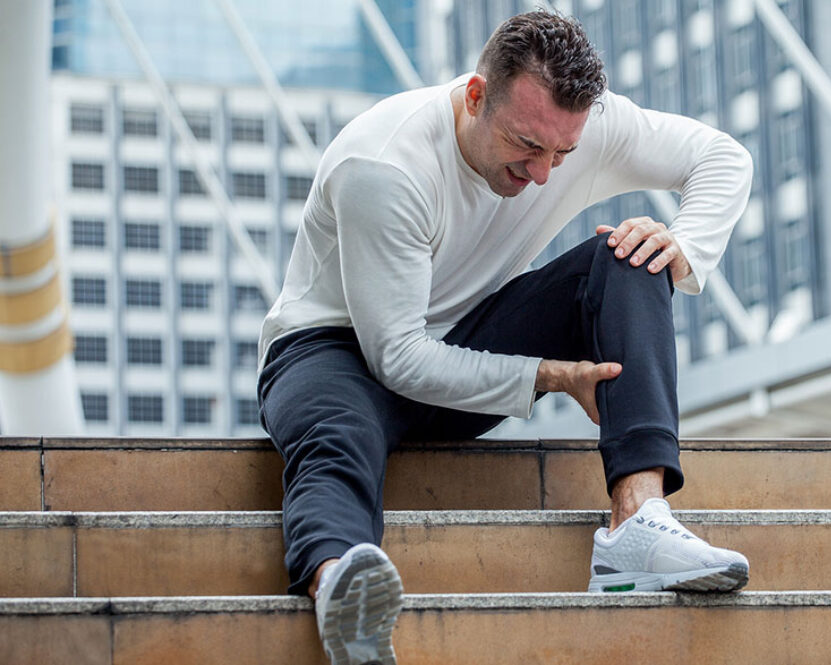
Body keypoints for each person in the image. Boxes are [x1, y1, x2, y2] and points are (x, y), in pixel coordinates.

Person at [257, 10, 753, 665]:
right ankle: (342, 589)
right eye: (527, 145)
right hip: (332, 350)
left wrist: (682, 246)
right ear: (473, 96)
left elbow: (722, 156)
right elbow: (397, 356)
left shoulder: (586, 127)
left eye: (563, 153)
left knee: (634, 252)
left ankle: (638, 519)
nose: (545, 173)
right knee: (338, 437)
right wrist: (549, 375)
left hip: (470, 340)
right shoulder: (385, 163)